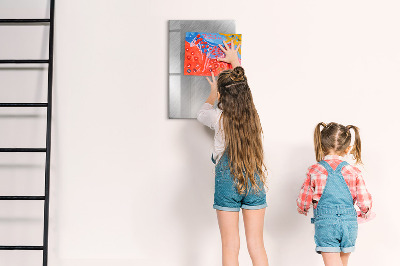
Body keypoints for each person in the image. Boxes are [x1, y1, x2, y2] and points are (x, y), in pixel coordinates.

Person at [197, 40, 269, 266]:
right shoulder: (252, 115)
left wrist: (212, 94)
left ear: (222, 95)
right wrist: (235, 62)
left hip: (227, 181)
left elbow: (201, 113)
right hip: (254, 178)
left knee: (230, 245)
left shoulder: (218, 117)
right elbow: (242, 87)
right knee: (256, 244)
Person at [297, 122, 373, 266]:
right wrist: (365, 212)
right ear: (348, 149)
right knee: (343, 262)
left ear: (321, 145)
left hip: (326, 224)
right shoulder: (353, 172)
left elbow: (304, 198)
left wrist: (303, 208)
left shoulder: (315, 170)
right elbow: (364, 200)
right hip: (349, 224)